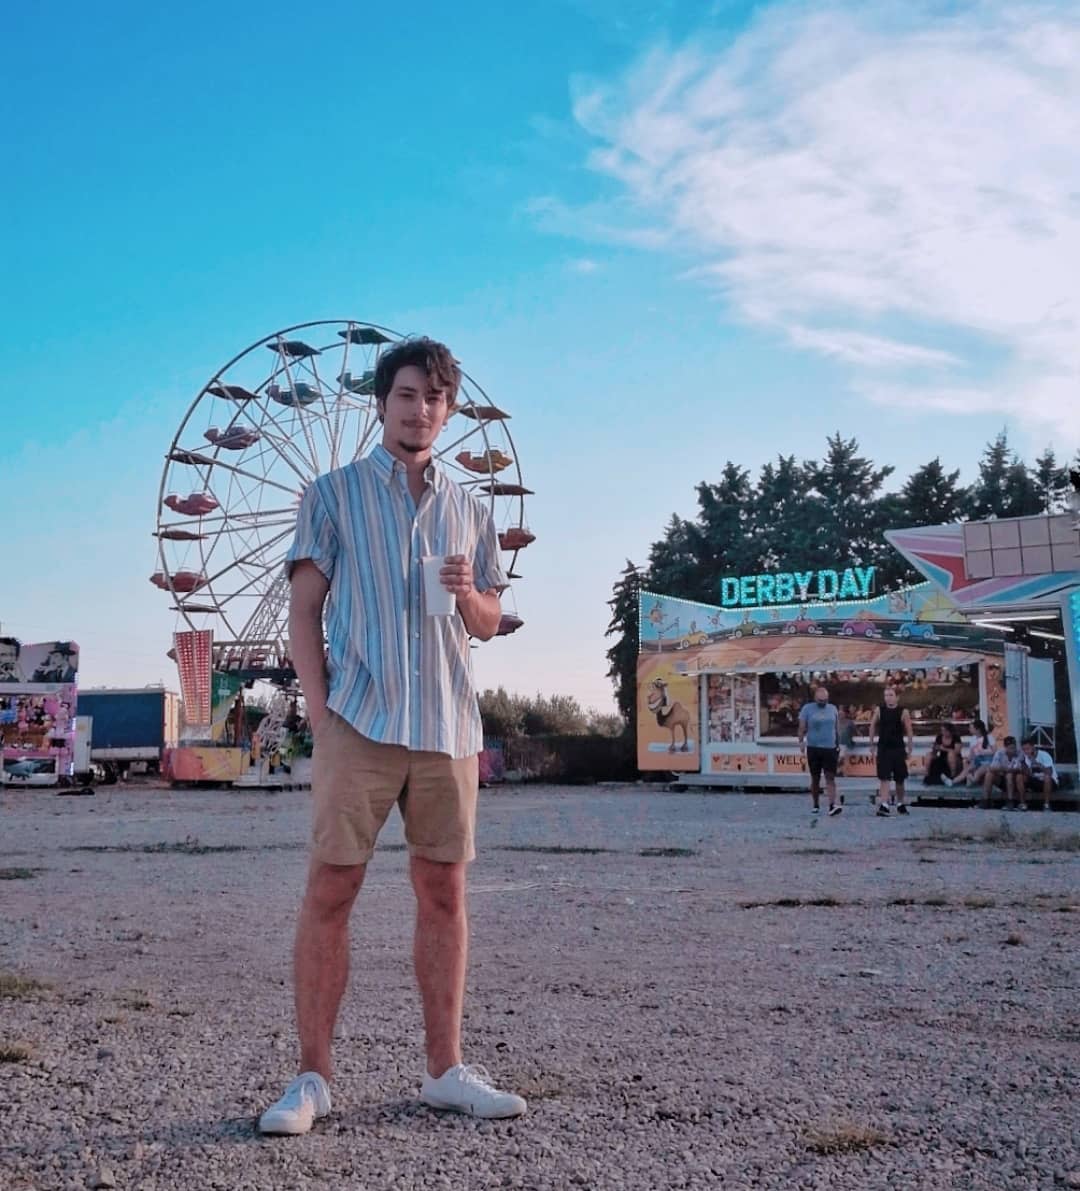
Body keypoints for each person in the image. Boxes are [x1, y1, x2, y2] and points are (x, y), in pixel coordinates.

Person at [259, 337, 525, 1137]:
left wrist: (469, 592)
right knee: (331, 890)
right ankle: (313, 1076)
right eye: (406, 395)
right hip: (362, 718)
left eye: (435, 398)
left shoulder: (470, 510)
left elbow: (487, 620)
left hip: (446, 721)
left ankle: (445, 1070)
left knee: (444, 894)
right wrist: (321, 707)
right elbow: (306, 609)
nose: (420, 410)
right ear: (383, 403)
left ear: (448, 410)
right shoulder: (332, 494)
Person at [797, 686, 842, 816]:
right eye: (820, 700)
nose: (823, 703)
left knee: (830, 777)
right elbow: (802, 726)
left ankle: (832, 805)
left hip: (830, 747)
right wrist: (801, 741)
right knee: (815, 777)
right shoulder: (807, 709)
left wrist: (839, 744)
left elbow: (836, 728)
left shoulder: (832, 708)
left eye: (825, 700)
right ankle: (816, 804)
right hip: (814, 747)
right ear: (815, 698)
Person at [870, 686, 913, 816]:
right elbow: (872, 725)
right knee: (884, 777)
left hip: (898, 747)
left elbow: (909, 729)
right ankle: (884, 804)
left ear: (897, 697)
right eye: (886, 695)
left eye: (890, 695)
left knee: (900, 778)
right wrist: (871, 743)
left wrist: (910, 747)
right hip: (883, 747)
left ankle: (900, 803)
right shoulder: (880, 710)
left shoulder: (903, 711)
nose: (888, 698)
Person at [1017, 737, 1058, 811]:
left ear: (1033, 747)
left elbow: (1049, 772)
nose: (1026, 751)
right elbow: (1029, 774)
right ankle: (1023, 804)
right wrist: (1024, 765)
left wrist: (1038, 764)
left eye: (1027, 749)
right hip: (1036, 781)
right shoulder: (1025, 757)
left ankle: (1046, 805)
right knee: (1019, 777)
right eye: (1024, 749)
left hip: (1050, 782)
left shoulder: (1044, 755)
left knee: (1047, 777)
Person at [982, 736, 1024, 809]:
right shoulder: (999, 753)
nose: (1013, 750)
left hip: (1014, 780)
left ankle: (1010, 801)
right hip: (1002, 778)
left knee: (1009, 775)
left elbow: (1019, 768)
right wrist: (1003, 769)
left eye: (1014, 747)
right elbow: (992, 767)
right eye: (1010, 748)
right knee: (989, 774)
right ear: (1005, 747)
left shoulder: (1020, 753)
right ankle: (986, 800)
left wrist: (1007, 770)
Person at [955, 719, 995, 788]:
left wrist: (983, 752)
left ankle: (970, 780)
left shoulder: (989, 737)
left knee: (977, 774)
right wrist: (967, 759)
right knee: (965, 770)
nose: (969, 729)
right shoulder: (973, 739)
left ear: (978, 729)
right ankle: (952, 781)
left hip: (987, 762)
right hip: (977, 760)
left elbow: (994, 751)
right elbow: (971, 754)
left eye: (971, 728)